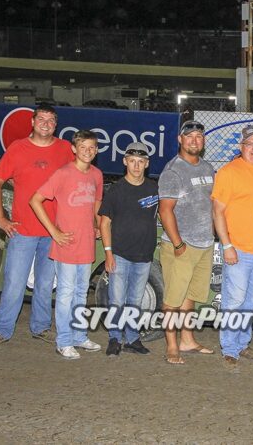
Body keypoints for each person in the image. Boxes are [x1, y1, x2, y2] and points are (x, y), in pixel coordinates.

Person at [0, 104, 74, 347]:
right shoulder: (17, 148)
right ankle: (1, 330)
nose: (46, 123)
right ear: (32, 122)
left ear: (56, 124)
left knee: (45, 284)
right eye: (41, 119)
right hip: (22, 230)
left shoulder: (66, 149)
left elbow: (78, 180)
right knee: (14, 283)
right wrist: (0, 218)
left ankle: (41, 327)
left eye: (51, 120)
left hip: (53, 231)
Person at [30, 130, 103, 359]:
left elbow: (97, 201)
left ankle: (79, 336)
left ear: (97, 150)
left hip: (86, 244)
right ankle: (63, 340)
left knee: (81, 293)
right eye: (83, 147)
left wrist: (97, 224)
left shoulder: (97, 175)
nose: (88, 151)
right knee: (65, 293)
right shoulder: (63, 173)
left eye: (92, 147)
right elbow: (35, 200)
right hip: (66, 244)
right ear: (74, 149)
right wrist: (54, 231)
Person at [211, 125, 253, 373]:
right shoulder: (228, 172)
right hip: (238, 249)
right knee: (234, 300)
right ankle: (229, 348)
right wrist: (226, 244)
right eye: (249, 144)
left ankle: (242, 343)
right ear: (241, 147)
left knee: (251, 301)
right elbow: (217, 211)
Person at [158, 121, 216, 365]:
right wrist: (178, 244)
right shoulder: (173, 171)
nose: (194, 140)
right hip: (181, 246)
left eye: (199, 136)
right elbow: (165, 210)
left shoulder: (208, 167)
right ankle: (172, 346)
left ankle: (188, 340)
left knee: (190, 296)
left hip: (204, 244)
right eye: (189, 136)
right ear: (180, 140)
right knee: (172, 299)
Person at [99, 142, 159, 357]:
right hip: (120, 254)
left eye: (141, 162)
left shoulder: (153, 188)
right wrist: (108, 253)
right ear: (125, 161)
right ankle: (114, 338)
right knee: (117, 299)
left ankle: (132, 338)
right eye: (132, 161)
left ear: (147, 163)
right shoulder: (116, 190)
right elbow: (104, 222)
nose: (136, 166)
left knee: (135, 299)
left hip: (144, 255)